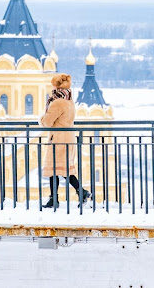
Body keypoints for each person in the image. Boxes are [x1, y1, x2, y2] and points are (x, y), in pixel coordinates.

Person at [38, 73, 92, 208]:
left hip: (58, 139)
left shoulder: (57, 102)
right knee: (62, 169)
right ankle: (76, 193)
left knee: (54, 169)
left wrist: (41, 118)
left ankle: (74, 194)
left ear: (56, 86)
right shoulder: (69, 100)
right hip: (68, 137)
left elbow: (47, 122)